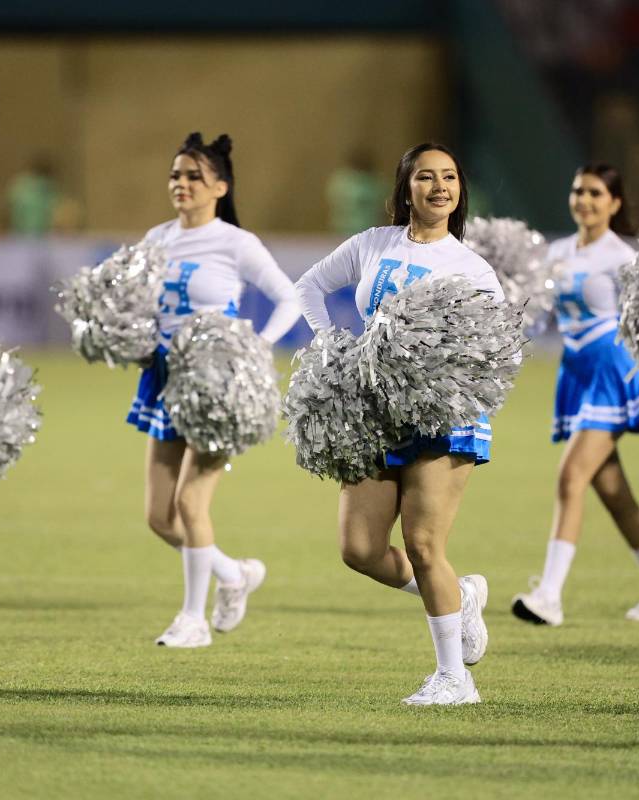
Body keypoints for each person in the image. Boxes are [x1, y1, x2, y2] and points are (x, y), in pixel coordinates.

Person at [294, 143, 497, 705]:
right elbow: (309, 285)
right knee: (359, 547)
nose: (439, 187)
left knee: (424, 542)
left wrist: (446, 379)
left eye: (450, 177)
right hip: (375, 408)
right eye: (426, 177)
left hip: (443, 415)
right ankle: (459, 598)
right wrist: (330, 342)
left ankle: (455, 678)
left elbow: (495, 349)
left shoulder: (471, 267)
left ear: (460, 190)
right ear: (405, 187)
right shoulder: (372, 245)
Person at [132, 132, 301, 648]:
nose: (180, 184)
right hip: (165, 378)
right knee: (160, 517)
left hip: (218, 383)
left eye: (193, 177)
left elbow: (289, 299)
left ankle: (193, 620)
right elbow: (136, 303)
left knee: (189, 502)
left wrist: (257, 348)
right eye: (175, 175)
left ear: (220, 188)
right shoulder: (156, 239)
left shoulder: (235, 243)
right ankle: (233, 574)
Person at [511, 164, 639, 627]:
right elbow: (539, 315)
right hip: (577, 369)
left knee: (571, 477)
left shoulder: (623, 258)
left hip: (611, 367)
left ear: (614, 202)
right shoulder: (557, 252)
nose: (584, 200)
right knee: (612, 490)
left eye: (594, 192)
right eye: (577, 191)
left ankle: (549, 596)